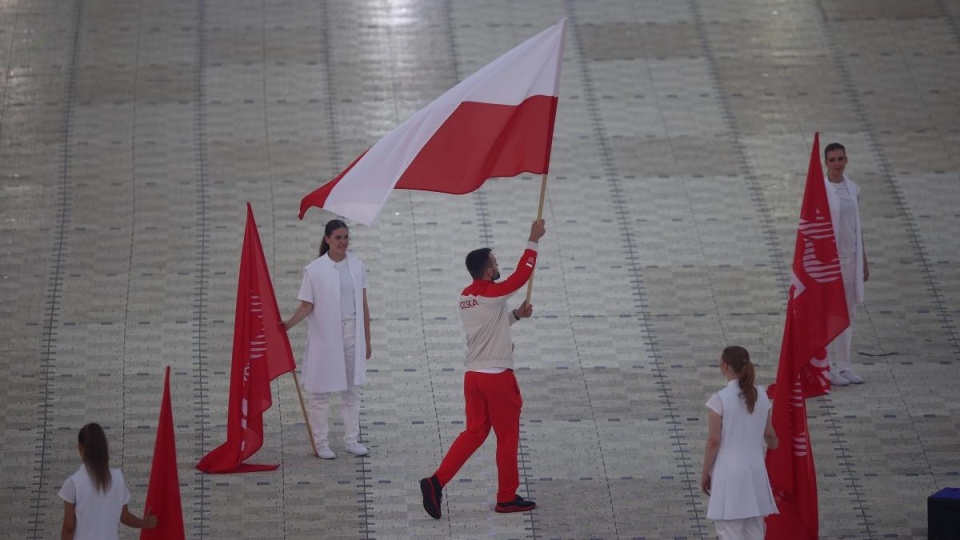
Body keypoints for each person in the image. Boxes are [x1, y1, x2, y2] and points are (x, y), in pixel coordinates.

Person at [420, 219, 546, 519]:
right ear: (488, 272)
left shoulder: (467, 297)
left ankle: (436, 481)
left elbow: (489, 327)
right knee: (507, 437)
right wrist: (533, 239)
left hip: (473, 376)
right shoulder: (492, 293)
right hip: (496, 378)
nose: (498, 265)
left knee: (474, 432)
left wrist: (515, 315)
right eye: (495, 263)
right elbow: (522, 275)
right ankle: (506, 497)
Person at [283, 219, 372, 459]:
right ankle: (321, 443)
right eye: (338, 238)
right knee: (320, 392)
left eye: (346, 237)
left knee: (352, 390)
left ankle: (352, 440)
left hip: (352, 333)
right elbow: (307, 304)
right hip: (326, 337)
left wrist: (368, 339)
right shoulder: (314, 270)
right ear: (327, 239)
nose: (343, 242)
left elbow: (363, 304)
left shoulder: (356, 265)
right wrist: (288, 324)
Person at [700, 346, 779, 540]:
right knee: (755, 531)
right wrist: (777, 446)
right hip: (756, 472)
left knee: (729, 531)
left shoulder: (719, 399)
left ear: (724, 365)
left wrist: (705, 474)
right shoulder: (761, 395)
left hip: (729, 475)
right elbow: (770, 436)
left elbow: (713, 441)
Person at [59, 423, 157, 540]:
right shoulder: (117, 478)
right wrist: (144, 523)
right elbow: (125, 516)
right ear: (104, 448)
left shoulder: (73, 483)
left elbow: (69, 527)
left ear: (80, 447)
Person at [823, 142, 870, 386]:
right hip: (831, 262)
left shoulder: (853, 189)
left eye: (840, 159)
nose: (837, 164)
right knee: (830, 313)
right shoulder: (822, 190)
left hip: (852, 259)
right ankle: (826, 367)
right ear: (826, 163)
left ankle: (845, 366)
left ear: (846, 160)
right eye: (832, 160)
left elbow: (857, 226)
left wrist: (864, 261)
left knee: (848, 313)